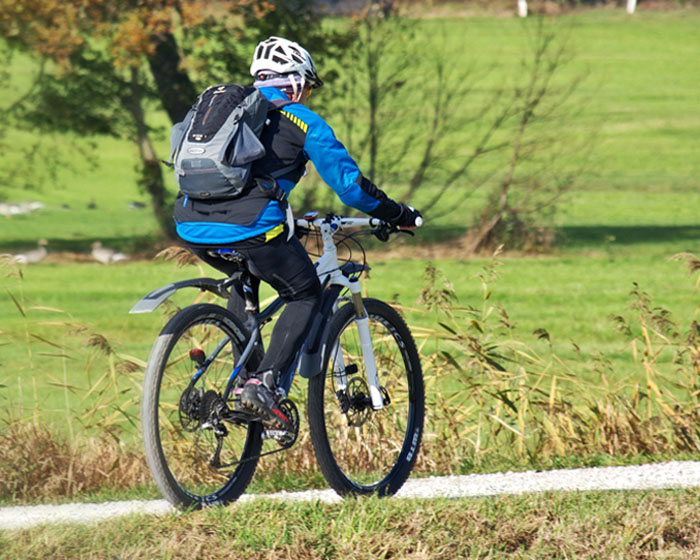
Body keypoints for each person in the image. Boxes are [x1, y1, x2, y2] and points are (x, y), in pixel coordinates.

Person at [173, 36, 421, 431]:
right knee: (303, 292)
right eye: (306, 86)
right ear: (295, 82)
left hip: (190, 224)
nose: (306, 93)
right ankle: (263, 384)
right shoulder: (302, 120)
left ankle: (237, 386)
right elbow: (350, 187)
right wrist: (398, 213)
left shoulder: (224, 113)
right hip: (254, 227)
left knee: (246, 276)